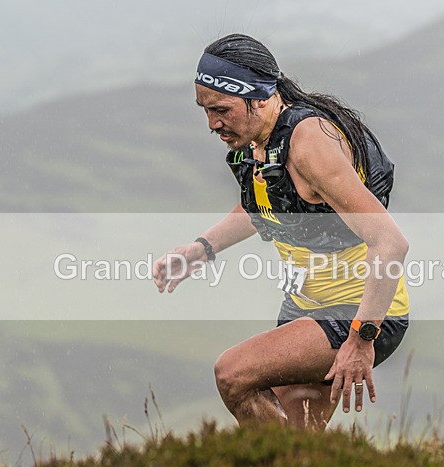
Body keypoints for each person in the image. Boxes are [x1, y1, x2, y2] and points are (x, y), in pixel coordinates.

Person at [153, 34, 410, 430]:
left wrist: (361, 340)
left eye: (221, 109)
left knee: (233, 374)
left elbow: (390, 243)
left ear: (258, 97)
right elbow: (263, 204)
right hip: (303, 309)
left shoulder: (309, 142)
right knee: (297, 439)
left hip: (359, 315)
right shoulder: (262, 139)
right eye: (204, 110)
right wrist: (202, 248)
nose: (212, 124)